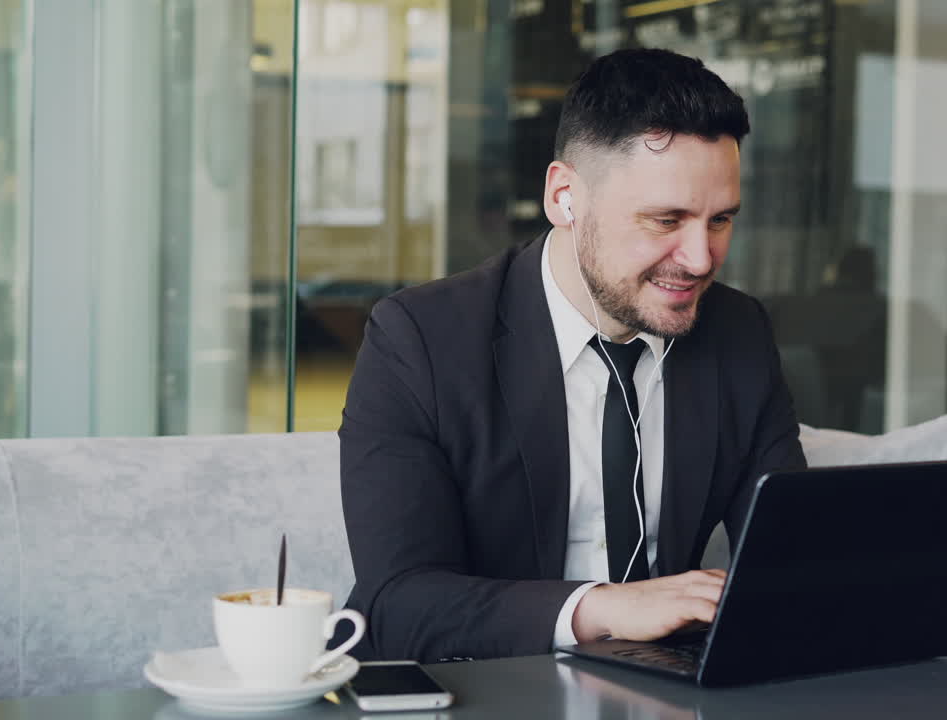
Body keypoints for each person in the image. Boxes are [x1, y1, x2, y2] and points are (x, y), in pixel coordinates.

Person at [336, 48, 807, 663]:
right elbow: (398, 604)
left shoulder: (736, 331)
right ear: (564, 197)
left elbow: (790, 558)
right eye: (666, 220)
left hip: (661, 688)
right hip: (478, 687)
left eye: (720, 221)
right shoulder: (418, 340)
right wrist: (603, 607)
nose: (700, 258)